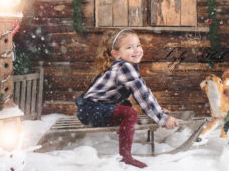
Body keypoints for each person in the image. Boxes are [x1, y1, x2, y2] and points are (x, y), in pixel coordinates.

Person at [75, 29, 179, 168]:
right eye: (129, 47)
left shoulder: (127, 66)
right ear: (116, 54)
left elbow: (144, 91)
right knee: (129, 113)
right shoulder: (124, 67)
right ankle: (126, 157)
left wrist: (158, 110)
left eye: (138, 45)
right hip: (90, 109)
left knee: (127, 105)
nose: (136, 50)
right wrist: (162, 118)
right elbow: (143, 95)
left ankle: (124, 132)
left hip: (94, 108)